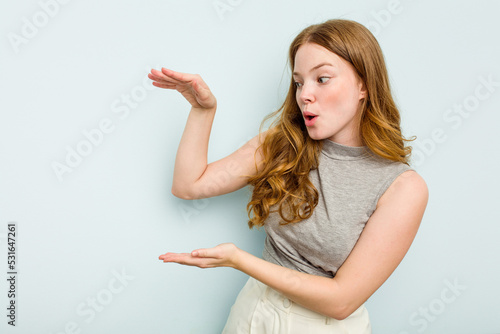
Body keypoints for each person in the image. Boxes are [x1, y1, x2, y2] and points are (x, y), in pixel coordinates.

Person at [149, 19, 428, 334]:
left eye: (322, 79)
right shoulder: (281, 144)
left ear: (364, 85)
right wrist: (203, 111)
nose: (305, 94)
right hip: (252, 314)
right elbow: (189, 185)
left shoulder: (402, 187)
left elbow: (341, 302)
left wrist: (239, 260)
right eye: (299, 82)